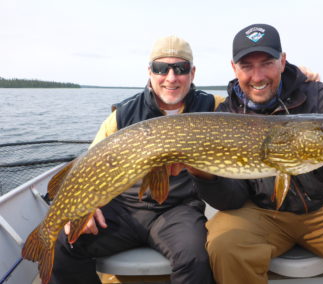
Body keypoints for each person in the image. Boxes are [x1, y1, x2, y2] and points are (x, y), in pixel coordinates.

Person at [191, 24, 323, 284]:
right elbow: (231, 200)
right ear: (234, 68)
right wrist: (204, 176)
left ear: (283, 61)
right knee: (226, 247)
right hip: (260, 212)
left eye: (267, 63)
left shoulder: (315, 93)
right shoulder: (226, 114)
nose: (257, 76)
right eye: (247, 66)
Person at [49, 35, 224, 284]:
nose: (171, 77)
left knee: (195, 257)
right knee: (66, 242)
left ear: (192, 73)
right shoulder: (122, 115)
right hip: (124, 211)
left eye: (180, 68)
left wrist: (299, 76)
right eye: (162, 68)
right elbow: (88, 166)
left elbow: (250, 94)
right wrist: (84, 207)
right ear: (150, 71)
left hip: (178, 211)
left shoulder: (214, 107)